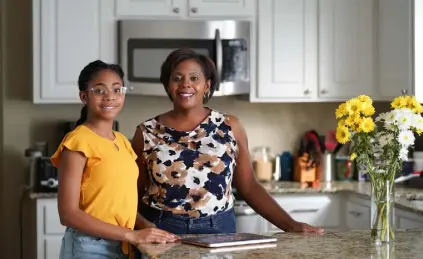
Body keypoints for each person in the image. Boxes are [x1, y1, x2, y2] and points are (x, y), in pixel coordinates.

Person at [132, 49, 324, 235]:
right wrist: (144, 228)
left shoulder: (230, 126)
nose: (185, 84)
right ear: (168, 85)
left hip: (219, 228)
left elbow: (249, 187)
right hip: (162, 229)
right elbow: (131, 194)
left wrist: (290, 225)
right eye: (177, 78)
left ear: (207, 85)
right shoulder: (146, 132)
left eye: (194, 78)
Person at [51, 60, 179, 259]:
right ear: (84, 97)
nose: (110, 96)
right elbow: (68, 214)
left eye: (117, 89)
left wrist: (147, 227)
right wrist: (132, 235)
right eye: (100, 90)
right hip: (89, 247)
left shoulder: (122, 141)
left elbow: (117, 204)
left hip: (122, 245)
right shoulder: (78, 141)